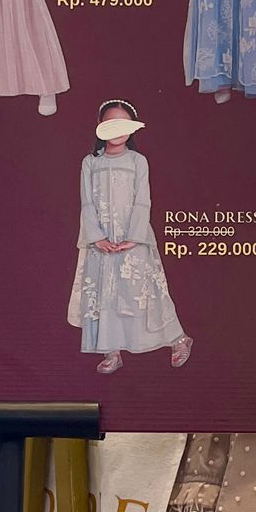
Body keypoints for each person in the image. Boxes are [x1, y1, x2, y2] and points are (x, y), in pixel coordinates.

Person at [67, 99, 193, 374]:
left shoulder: (138, 161)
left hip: (134, 240)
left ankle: (179, 339)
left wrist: (134, 237)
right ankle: (111, 351)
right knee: (105, 294)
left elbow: (143, 201)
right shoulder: (90, 163)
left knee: (146, 293)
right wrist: (96, 237)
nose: (117, 130)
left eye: (124, 124)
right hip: (101, 243)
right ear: (100, 126)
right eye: (111, 123)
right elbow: (86, 203)